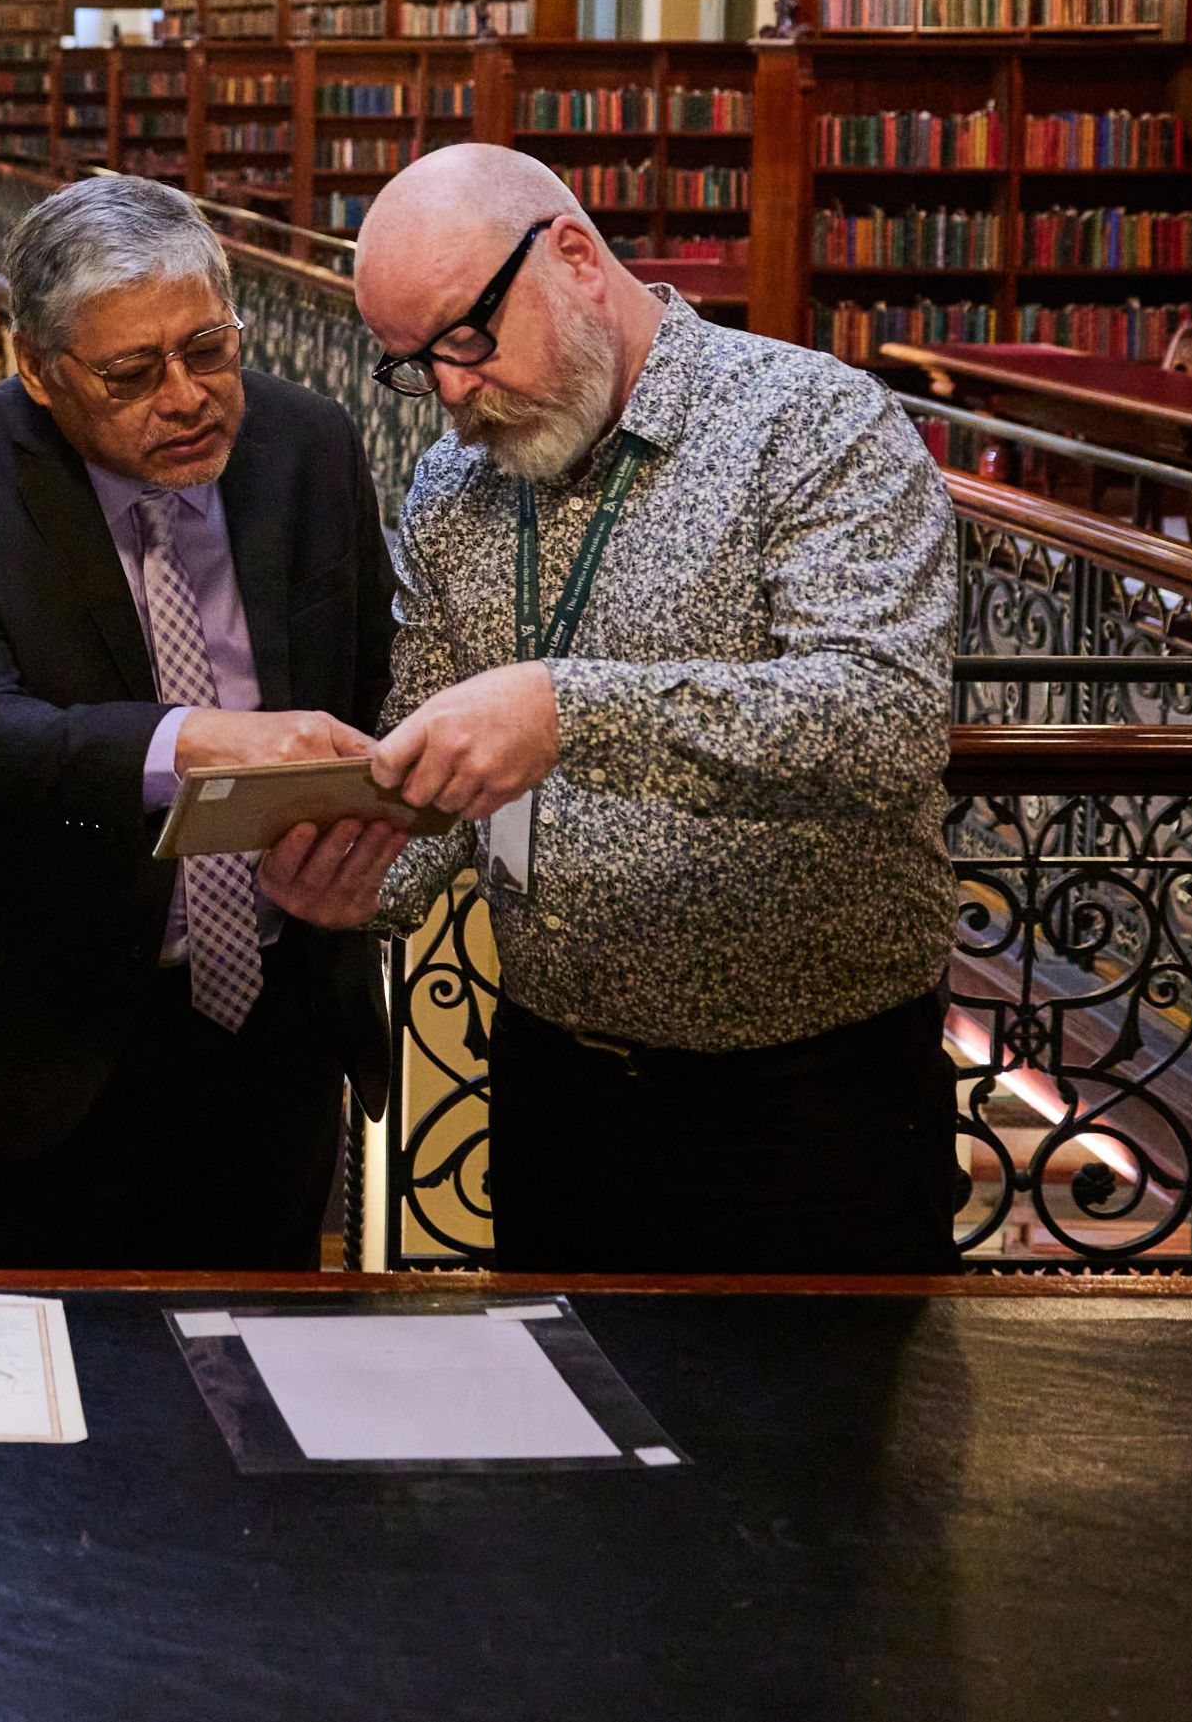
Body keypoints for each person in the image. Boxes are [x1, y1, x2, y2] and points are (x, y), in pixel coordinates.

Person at [320, 140, 959, 1274]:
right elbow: (431, 738)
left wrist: (567, 711)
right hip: (550, 1081)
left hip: (807, 1104)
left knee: (830, 1447)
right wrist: (352, 869)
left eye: (466, 337)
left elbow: (879, 717)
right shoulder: (453, 483)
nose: (453, 389)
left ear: (570, 252)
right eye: (415, 364)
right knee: (573, 1440)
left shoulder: (812, 422)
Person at [0, 172, 402, 1272]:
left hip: (269, 1031)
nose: (186, 395)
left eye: (208, 348)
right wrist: (192, 740)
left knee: (254, 1379)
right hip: (34, 1040)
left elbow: (371, 684)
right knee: (22, 1398)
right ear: (38, 367)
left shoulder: (309, 448)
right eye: (130, 372)